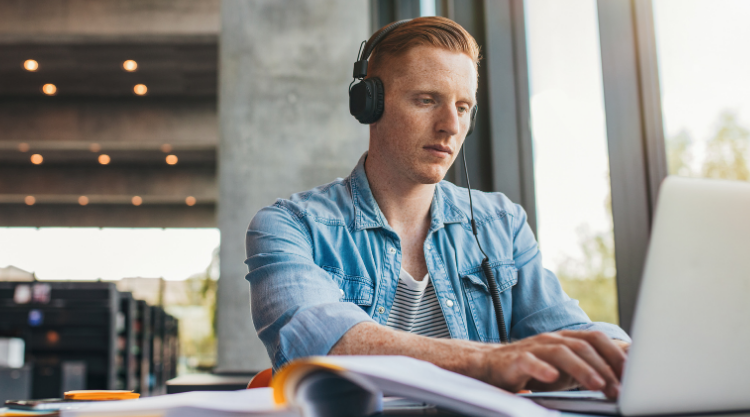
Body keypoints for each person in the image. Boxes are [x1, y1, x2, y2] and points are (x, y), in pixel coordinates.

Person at [245, 16, 630, 399]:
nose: (450, 125)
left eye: (463, 108)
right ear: (370, 106)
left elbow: (567, 331)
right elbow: (320, 343)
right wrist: (491, 361)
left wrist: (624, 355)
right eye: (427, 100)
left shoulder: (501, 223)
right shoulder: (288, 226)